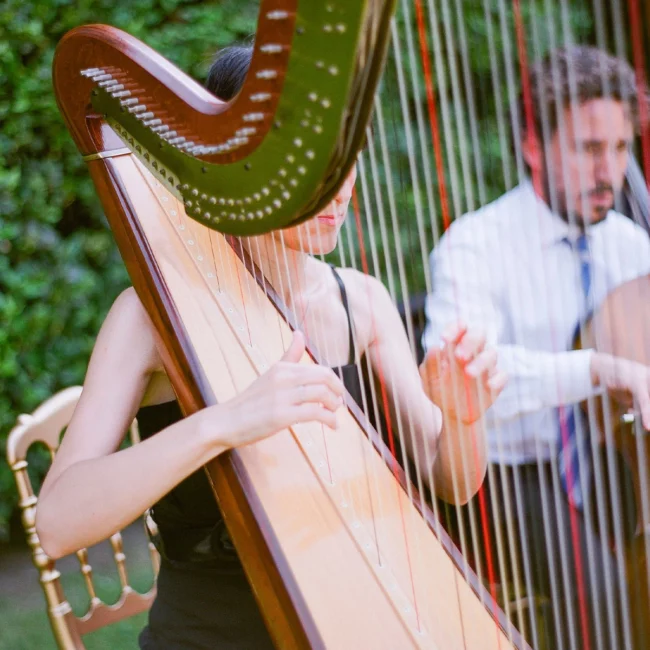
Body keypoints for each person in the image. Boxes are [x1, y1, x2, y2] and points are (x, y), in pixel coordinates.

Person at [35, 46, 505, 649]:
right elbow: (57, 524)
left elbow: (453, 481)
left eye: (348, 159)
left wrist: (466, 419)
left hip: (346, 620)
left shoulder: (360, 301)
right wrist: (225, 422)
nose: (339, 191)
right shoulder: (152, 314)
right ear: (236, 167)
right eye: (310, 169)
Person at [423, 45, 650, 650]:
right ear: (533, 147)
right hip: (511, 479)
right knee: (602, 590)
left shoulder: (631, 245)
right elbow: (471, 383)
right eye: (589, 149)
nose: (611, 172)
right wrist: (599, 367)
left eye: (622, 148)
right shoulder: (475, 245)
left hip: (617, 466)